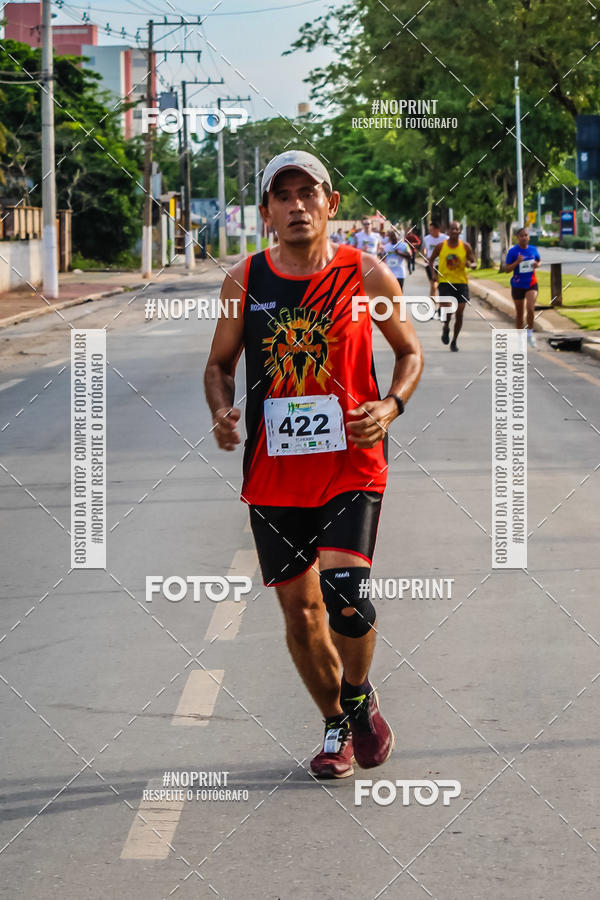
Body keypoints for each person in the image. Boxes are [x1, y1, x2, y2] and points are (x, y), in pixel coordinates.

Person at [204, 150, 423, 779]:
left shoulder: (369, 275)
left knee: (346, 596)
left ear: (331, 205)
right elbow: (218, 365)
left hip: (353, 463)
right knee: (301, 614)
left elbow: (409, 354)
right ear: (267, 212)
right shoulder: (244, 280)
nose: (297, 204)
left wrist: (391, 404)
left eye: (310, 193)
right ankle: (337, 722)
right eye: (284, 195)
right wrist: (222, 409)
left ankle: (356, 696)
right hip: (274, 473)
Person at [429, 220, 476, 351]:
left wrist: (471, 264)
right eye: (452, 229)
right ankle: (446, 327)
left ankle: (454, 340)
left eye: (457, 229)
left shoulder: (465, 246)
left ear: (460, 231)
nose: (454, 231)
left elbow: (472, 261)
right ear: (448, 231)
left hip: (461, 283)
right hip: (445, 282)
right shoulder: (440, 246)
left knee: (459, 313)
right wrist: (433, 274)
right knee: (448, 311)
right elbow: (431, 260)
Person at [505, 226, 541, 347]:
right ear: (517, 238)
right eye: (522, 236)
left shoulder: (533, 249)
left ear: (528, 237)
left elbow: (539, 261)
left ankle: (530, 334)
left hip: (531, 283)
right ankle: (520, 337)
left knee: (530, 308)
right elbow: (507, 269)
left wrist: (537, 264)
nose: (524, 237)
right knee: (520, 313)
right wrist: (517, 262)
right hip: (517, 284)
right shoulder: (513, 251)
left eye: (526, 235)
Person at [423, 220, 449, 302]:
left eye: (432, 230)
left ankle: (442, 303)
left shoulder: (445, 238)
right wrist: (425, 255)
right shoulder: (427, 239)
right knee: (433, 286)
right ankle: (433, 305)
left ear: (438, 229)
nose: (430, 232)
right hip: (430, 265)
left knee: (442, 286)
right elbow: (425, 249)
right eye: (429, 230)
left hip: (442, 265)